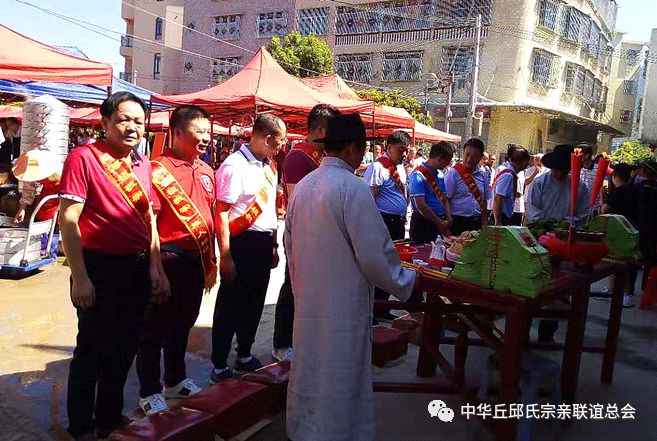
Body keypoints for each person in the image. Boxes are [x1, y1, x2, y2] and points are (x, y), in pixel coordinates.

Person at [284, 113, 419, 441]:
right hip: (343, 306)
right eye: (362, 149)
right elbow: (375, 256)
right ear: (353, 148)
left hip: (310, 300)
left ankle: (304, 429)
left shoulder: (304, 187)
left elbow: (290, 246)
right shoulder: (353, 188)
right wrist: (407, 281)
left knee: (310, 368)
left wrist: (300, 286)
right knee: (340, 374)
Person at [59, 92, 169, 440]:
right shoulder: (83, 158)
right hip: (99, 268)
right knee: (92, 349)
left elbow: (150, 220)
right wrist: (80, 277)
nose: (132, 127)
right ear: (105, 122)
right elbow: (68, 219)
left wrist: (156, 267)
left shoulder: (143, 164)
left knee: (124, 347)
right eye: (123, 120)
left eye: (138, 121)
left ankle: (108, 417)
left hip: (137, 268)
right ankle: (81, 426)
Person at [135, 105, 216, 415]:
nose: (206, 138)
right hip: (169, 259)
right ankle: (149, 390)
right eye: (199, 131)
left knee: (183, 324)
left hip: (196, 261)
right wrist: (155, 267)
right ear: (178, 132)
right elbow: (150, 222)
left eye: (207, 132)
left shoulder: (206, 169)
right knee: (153, 329)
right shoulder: (156, 170)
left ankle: (175, 379)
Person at [210, 114, 286, 383]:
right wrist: (225, 255)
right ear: (267, 138)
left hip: (263, 243)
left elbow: (270, 209)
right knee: (230, 304)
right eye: (279, 142)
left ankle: (244, 353)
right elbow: (222, 213)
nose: (281, 148)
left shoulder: (269, 167)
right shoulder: (234, 165)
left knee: (255, 301)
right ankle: (219, 363)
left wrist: (274, 244)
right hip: (241, 242)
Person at [272, 104, 340, 363]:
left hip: (319, 232)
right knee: (293, 287)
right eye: (332, 131)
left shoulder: (320, 156)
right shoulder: (298, 157)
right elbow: (298, 202)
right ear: (320, 129)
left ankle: (304, 338)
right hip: (302, 233)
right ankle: (281, 342)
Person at [526, 144, 589, 343]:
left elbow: (584, 213)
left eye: (563, 170)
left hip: (564, 241)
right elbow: (532, 208)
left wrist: (566, 225)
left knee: (558, 289)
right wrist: (545, 226)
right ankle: (523, 331)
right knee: (531, 283)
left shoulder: (579, 186)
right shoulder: (540, 182)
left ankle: (547, 334)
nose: (559, 174)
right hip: (539, 238)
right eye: (556, 169)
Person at [364, 131, 411, 322]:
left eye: (406, 150)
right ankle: (372, 310)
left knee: (391, 266)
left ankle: (383, 306)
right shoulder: (378, 167)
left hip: (398, 222)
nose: (404, 154)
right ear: (389, 147)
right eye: (401, 150)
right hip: (384, 221)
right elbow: (370, 198)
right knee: (378, 266)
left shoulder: (400, 168)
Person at [12, 149, 62, 256]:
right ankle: (39, 251)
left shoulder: (59, 170)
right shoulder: (29, 169)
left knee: (54, 226)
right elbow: (28, 190)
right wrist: (22, 210)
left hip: (58, 201)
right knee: (39, 221)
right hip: (44, 201)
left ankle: (51, 253)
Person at [602, 163, 638, 307]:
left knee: (616, 260)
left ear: (615, 175)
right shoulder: (634, 190)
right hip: (631, 228)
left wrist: (602, 197)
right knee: (625, 261)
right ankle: (624, 292)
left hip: (617, 231)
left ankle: (622, 292)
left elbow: (605, 210)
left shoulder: (616, 192)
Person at [408, 141, 454, 244]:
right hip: (423, 223)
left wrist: (448, 218)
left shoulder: (440, 175)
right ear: (440, 159)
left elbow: (444, 198)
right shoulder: (418, 175)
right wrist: (439, 222)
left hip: (440, 222)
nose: (448, 164)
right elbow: (421, 205)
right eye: (447, 161)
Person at [444, 138, 491, 235]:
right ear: (463, 153)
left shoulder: (483, 175)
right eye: (467, 155)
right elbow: (445, 199)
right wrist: (447, 223)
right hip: (457, 222)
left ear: (480, 157)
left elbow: (484, 201)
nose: (469, 160)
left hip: (476, 223)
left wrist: (484, 222)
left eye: (474, 157)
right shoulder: (453, 173)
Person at [634, 161, 657, 299]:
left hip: (637, 228)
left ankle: (629, 291)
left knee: (634, 259)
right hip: (653, 231)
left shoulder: (637, 188)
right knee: (650, 260)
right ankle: (646, 288)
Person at [492, 145, 530, 226]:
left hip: (507, 215)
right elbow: (497, 198)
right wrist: (498, 222)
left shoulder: (511, 174)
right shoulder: (508, 176)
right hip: (502, 217)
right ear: (525, 162)